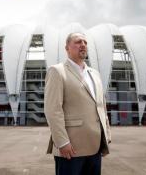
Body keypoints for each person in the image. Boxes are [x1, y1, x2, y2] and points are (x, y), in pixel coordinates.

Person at [44, 32, 111, 175]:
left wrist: (105, 138)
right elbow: (52, 110)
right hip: (71, 149)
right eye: (78, 42)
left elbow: (101, 107)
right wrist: (62, 142)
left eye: (85, 42)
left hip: (95, 147)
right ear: (67, 47)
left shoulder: (95, 74)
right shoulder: (57, 71)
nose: (83, 45)